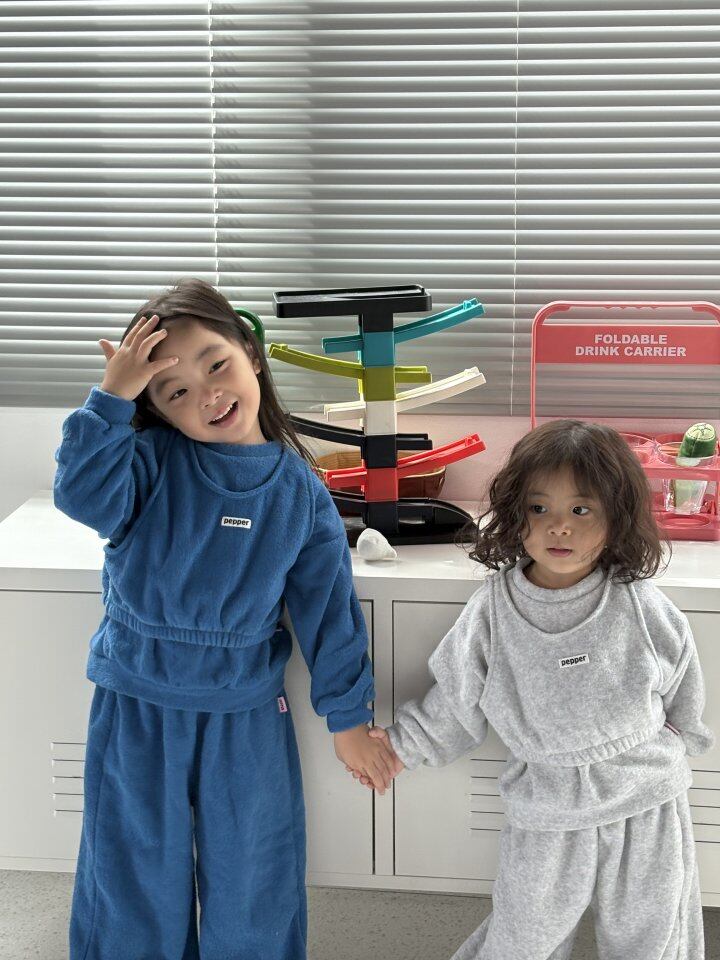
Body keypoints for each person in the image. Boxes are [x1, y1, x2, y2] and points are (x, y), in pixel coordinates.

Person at [54, 278, 396, 960]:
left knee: (255, 874)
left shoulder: (300, 493)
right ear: (155, 410)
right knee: (130, 872)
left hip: (244, 713)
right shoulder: (146, 465)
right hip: (137, 703)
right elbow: (80, 496)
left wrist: (348, 719)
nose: (207, 394)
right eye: (174, 391)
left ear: (251, 353)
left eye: (216, 365)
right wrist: (111, 396)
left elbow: (328, 613)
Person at [357, 419, 715, 959]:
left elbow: (682, 675)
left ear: (615, 517)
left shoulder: (639, 604)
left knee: (653, 937)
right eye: (539, 508)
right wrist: (399, 747)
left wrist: (687, 733)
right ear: (515, 514)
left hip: (646, 800)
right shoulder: (493, 610)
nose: (559, 527)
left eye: (581, 510)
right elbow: (456, 697)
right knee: (523, 938)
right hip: (546, 805)